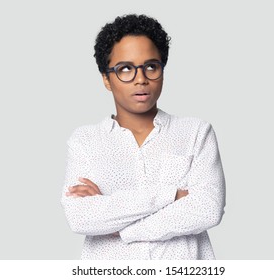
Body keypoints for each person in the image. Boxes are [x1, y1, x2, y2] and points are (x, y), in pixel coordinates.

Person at [61, 14, 226, 260]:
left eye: (151, 66)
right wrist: (171, 196)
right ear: (106, 79)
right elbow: (81, 217)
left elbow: (208, 209)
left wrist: (123, 227)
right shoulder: (86, 141)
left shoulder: (196, 133)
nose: (141, 79)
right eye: (125, 68)